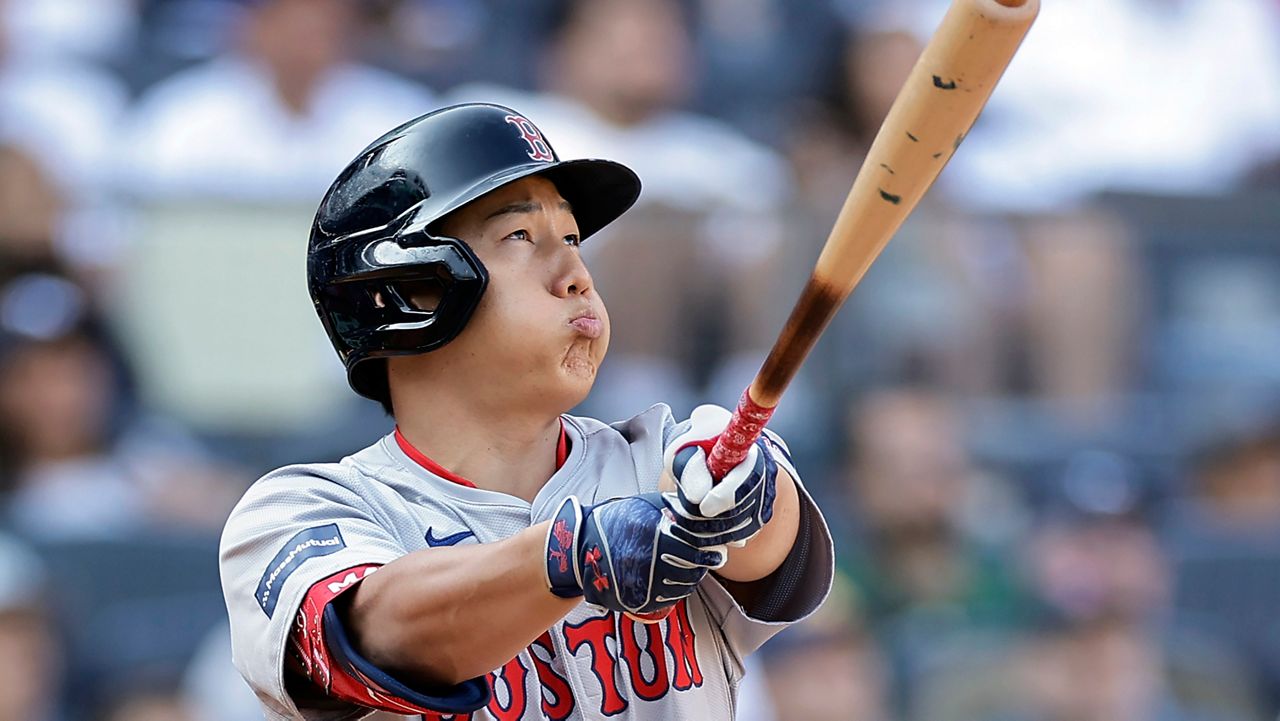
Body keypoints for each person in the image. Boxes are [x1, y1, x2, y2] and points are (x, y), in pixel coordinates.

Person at [218, 103, 833, 720]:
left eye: (571, 238)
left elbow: (773, 551)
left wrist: (741, 494)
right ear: (409, 290)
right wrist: (571, 555)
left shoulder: (660, 461)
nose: (576, 274)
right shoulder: (301, 512)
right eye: (521, 237)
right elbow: (379, 635)